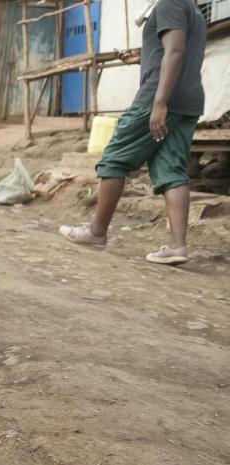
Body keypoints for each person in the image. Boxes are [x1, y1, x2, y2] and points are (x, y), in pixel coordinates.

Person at [60, 0, 206, 266]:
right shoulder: (193, 9)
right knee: (172, 170)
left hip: (158, 99)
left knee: (115, 159)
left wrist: (159, 103)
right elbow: (173, 49)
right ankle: (177, 247)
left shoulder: (170, 4)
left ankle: (96, 232)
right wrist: (142, 54)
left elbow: (175, 52)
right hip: (188, 102)